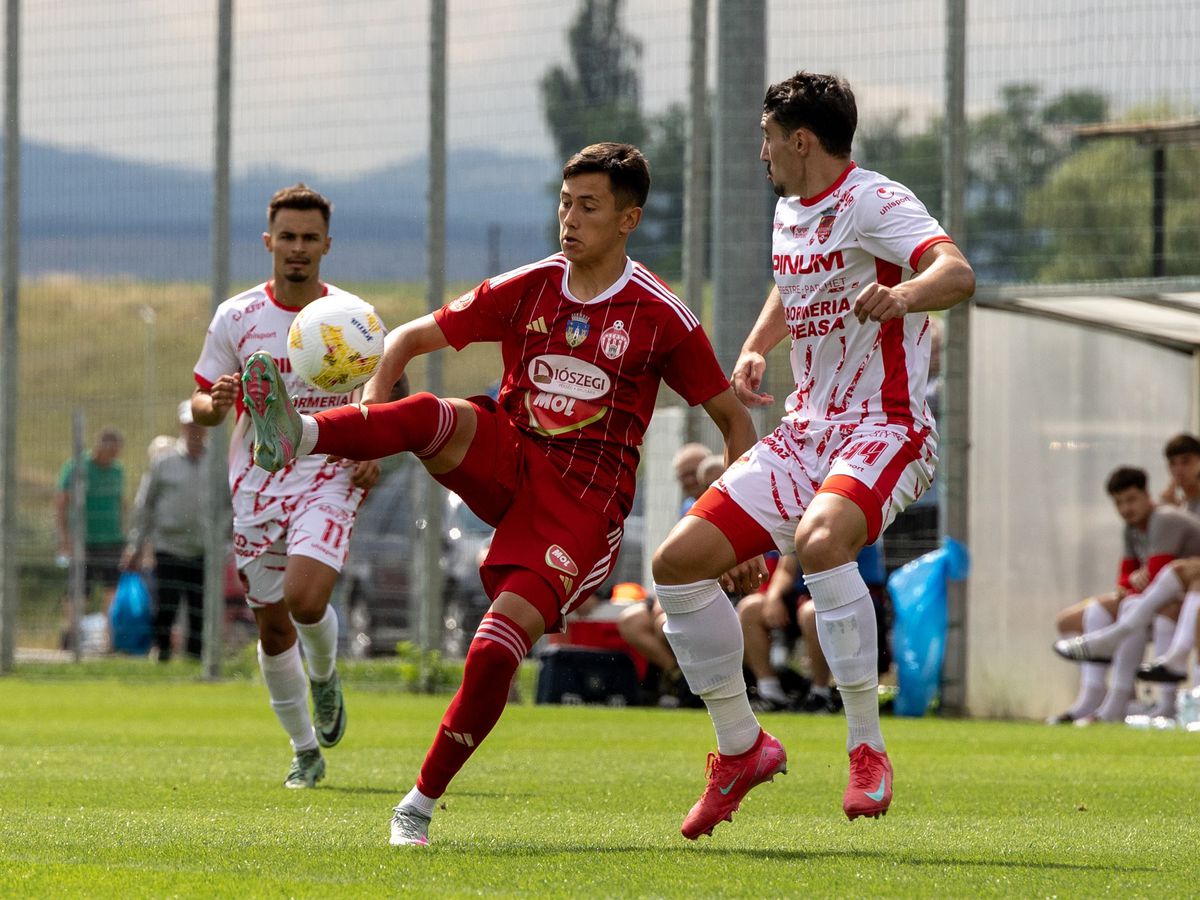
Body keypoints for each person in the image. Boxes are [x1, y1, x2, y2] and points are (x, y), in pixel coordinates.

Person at [240, 143, 758, 846]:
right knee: (429, 414)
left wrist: (739, 532)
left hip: (580, 510)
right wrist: (368, 413)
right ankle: (298, 433)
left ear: (628, 219)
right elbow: (404, 341)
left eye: (588, 206)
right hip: (509, 457)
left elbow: (735, 422)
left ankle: (416, 807)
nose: (569, 219)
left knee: (491, 652)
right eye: (565, 203)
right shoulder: (531, 284)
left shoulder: (660, 314)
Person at [651, 70, 974, 836]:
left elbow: (956, 271)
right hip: (806, 432)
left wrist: (903, 295)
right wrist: (758, 344)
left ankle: (866, 747)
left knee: (823, 541)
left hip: (886, 426)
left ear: (800, 141)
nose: (761, 152)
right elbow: (793, 286)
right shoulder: (790, 209)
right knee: (676, 564)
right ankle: (741, 747)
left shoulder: (875, 200)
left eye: (767, 138)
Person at [191, 184, 380, 788]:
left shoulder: (350, 317)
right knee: (273, 628)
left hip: (327, 471)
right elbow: (200, 405)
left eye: (310, 238)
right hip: (256, 483)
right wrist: (217, 402)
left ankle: (323, 675)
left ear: (327, 245)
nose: (298, 248)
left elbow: (383, 391)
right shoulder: (237, 316)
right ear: (269, 241)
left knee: (305, 599)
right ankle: (305, 750)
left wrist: (372, 446)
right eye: (288, 237)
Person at [1052, 467, 1200, 721]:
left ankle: (1147, 702)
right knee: (1098, 610)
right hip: (1173, 599)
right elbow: (1125, 579)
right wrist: (1133, 582)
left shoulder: (1164, 519)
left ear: (1147, 495)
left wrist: (1136, 583)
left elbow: (1156, 573)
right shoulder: (1132, 529)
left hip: (1181, 602)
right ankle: (1094, 696)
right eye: (1119, 503)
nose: (1126, 508)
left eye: (1131, 500)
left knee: (1135, 605)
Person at [120, 401, 211, 661]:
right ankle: (162, 653)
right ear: (182, 426)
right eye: (189, 425)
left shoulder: (217, 463)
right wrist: (136, 545)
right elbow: (145, 505)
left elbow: (228, 504)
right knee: (166, 602)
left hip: (203, 547)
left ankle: (196, 657)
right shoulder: (163, 463)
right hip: (167, 545)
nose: (194, 430)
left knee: (199, 606)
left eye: (198, 425)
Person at [55, 427, 126, 648]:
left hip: (112, 540)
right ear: (99, 447)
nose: (113, 456)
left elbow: (121, 504)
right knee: (78, 591)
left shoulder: (118, 470)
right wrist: (65, 539)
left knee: (111, 590)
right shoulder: (76, 467)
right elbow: (61, 503)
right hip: (82, 541)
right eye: (110, 451)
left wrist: (125, 537)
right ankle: (70, 637)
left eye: (116, 452)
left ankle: (109, 640)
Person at [1160, 433, 1200, 516]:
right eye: (1172, 463)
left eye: (1186, 461)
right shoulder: (1182, 505)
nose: (1178, 469)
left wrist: (1174, 512)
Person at [673, 443, 711, 516]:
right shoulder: (687, 507)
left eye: (694, 473)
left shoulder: (724, 502)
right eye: (684, 475)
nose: (690, 481)